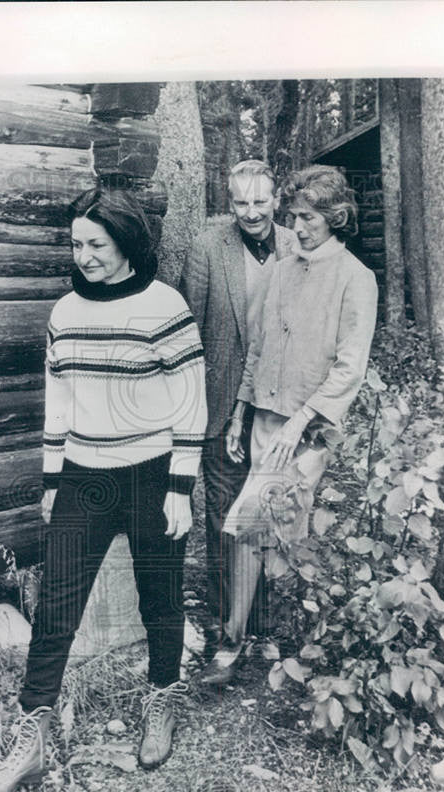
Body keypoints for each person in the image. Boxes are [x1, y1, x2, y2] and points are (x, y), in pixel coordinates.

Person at [0, 187, 207, 792]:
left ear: (127, 242)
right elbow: (62, 399)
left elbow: (191, 402)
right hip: (83, 475)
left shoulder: (166, 308)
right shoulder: (65, 313)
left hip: (152, 472)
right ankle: (31, 739)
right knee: (55, 609)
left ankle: (161, 700)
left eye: (96, 244)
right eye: (77, 244)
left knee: (161, 598)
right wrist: (54, 479)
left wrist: (181, 486)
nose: (85, 256)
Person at [202, 164, 378, 685]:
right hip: (264, 420)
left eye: (309, 218)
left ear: (335, 217)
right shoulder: (280, 270)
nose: (297, 228)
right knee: (258, 530)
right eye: (294, 216)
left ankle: (250, 645)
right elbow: (257, 349)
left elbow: (350, 367)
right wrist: (238, 414)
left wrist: (300, 422)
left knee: (264, 528)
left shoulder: (356, 279)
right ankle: (254, 641)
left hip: (308, 431)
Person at [179, 160, 296, 653]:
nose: (251, 212)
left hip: (279, 409)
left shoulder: (297, 245)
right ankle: (226, 626)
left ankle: (262, 627)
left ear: (276, 200)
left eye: (260, 201)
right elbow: (188, 333)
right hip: (221, 405)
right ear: (230, 203)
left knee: (267, 512)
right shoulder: (209, 247)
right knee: (225, 516)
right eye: (241, 202)